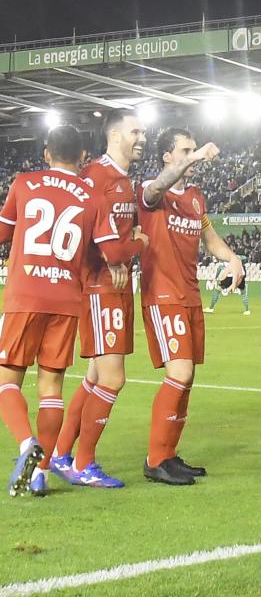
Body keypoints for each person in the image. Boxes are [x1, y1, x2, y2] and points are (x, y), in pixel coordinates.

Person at [0, 125, 143, 497]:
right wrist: (139, 242)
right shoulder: (93, 196)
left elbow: (2, 232)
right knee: (51, 390)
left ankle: (25, 443)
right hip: (66, 302)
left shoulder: (23, 184)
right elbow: (113, 253)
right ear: (83, 158)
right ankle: (40, 472)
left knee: (6, 381)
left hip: (24, 296)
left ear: (46, 153)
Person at [137, 128, 243, 485]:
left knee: (188, 379)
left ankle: (168, 454)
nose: (193, 155)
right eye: (185, 150)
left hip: (190, 295)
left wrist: (233, 258)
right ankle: (154, 459)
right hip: (162, 295)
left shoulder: (196, 198)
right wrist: (192, 161)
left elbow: (210, 239)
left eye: (195, 150)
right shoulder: (153, 191)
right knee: (178, 374)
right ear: (167, 156)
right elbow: (154, 190)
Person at [50, 109, 147, 488]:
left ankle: (61, 453)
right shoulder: (95, 177)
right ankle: (85, 463)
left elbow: (123, 237)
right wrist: (131, 246)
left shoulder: (123, 180)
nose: (142, 138)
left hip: (116, 289)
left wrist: (126, 247)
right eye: (135, 131)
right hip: (99, 289)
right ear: (115, 135)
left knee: (94, 378)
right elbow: (99, 235)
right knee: (112, 378)